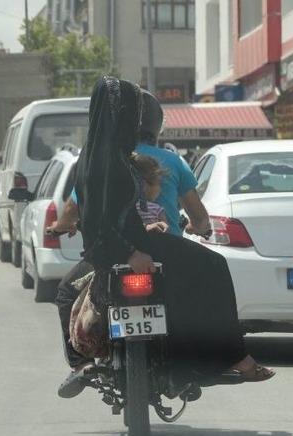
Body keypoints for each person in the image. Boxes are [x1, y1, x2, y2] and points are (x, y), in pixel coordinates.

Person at [53, 76, 274, 399]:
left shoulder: (105, 153)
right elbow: (100, 224)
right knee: (213, 267)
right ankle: (233, 356)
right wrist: (130, 253)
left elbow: (112, 214)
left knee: (198, 273)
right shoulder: (106, 161)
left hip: (135, 242)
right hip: (123, 250)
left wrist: (144, 233)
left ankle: (85, 364)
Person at [131, 153, 169, 233]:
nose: (160, 189)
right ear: (144, 185)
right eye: (158, 183)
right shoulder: (157, 209)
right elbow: (166, 233)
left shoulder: (127, 208)